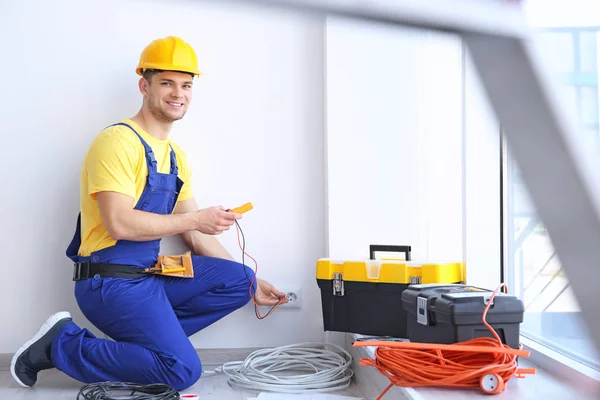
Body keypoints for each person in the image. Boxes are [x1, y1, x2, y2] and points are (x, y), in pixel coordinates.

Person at [11, 36, 287, 391]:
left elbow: (195, 234)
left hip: (149, 277)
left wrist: (252, 283)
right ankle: (61, 343)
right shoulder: (117, 142)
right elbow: (120, 222)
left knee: (240, 278)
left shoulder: (175, 155)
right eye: (167, 83)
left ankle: (151, 346)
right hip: (109, 282)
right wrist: (195, 219)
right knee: (181, 372)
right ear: (145, 85)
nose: (178, 93)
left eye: (186, 85)